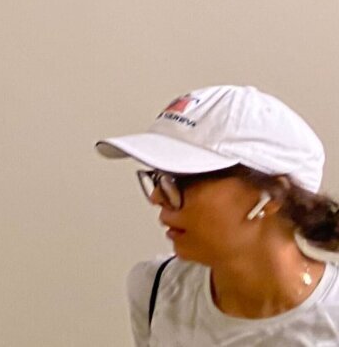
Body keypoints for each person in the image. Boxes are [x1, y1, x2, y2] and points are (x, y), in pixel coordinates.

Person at [97, 85, 339, 345]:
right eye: (157, 177)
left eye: (179, 179)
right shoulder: (154, 290)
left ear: (272, 196)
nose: (157, 196)